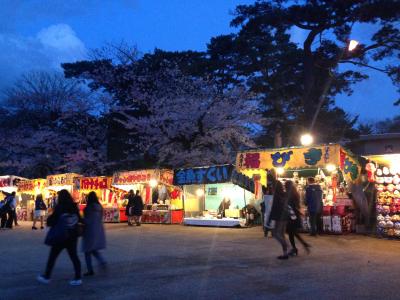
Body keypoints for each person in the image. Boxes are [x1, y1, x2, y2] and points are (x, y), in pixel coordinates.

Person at [37, 189, 82, 286]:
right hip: (72, 236)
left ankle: (47, 276)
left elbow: (52, 220)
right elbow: (80, 219)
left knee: (53, 256)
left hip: (61, 236)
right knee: (74, 257)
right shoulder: (74, 207)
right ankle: (78, 278)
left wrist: (49, 220)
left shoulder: (59, 207)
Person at [82, 192, 107, 276]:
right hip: (98, 230)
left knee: (87, 251)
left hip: (89, 230)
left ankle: (90, 270)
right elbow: (100, 218)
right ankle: (102, 261)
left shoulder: (87, 208)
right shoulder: (100, 207)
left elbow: (85, 220)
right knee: (93, 249)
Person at [285, 180, 311, 256]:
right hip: (295, 216)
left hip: (291, 216)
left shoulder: (288, 195)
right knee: (294, 233)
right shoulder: (295, 193)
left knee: (291, 233)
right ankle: (303, 245)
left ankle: (294, 249)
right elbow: (297, 206)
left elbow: (289, 206)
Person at [269, 178, 289, 260]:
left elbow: (274, 207)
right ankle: (285, 253)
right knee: (281, 234)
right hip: (285, 217)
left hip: (279, 217)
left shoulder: (276, 196)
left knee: (276, 234)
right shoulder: (284, 194)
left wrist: (270, 218)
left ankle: (287, 246)